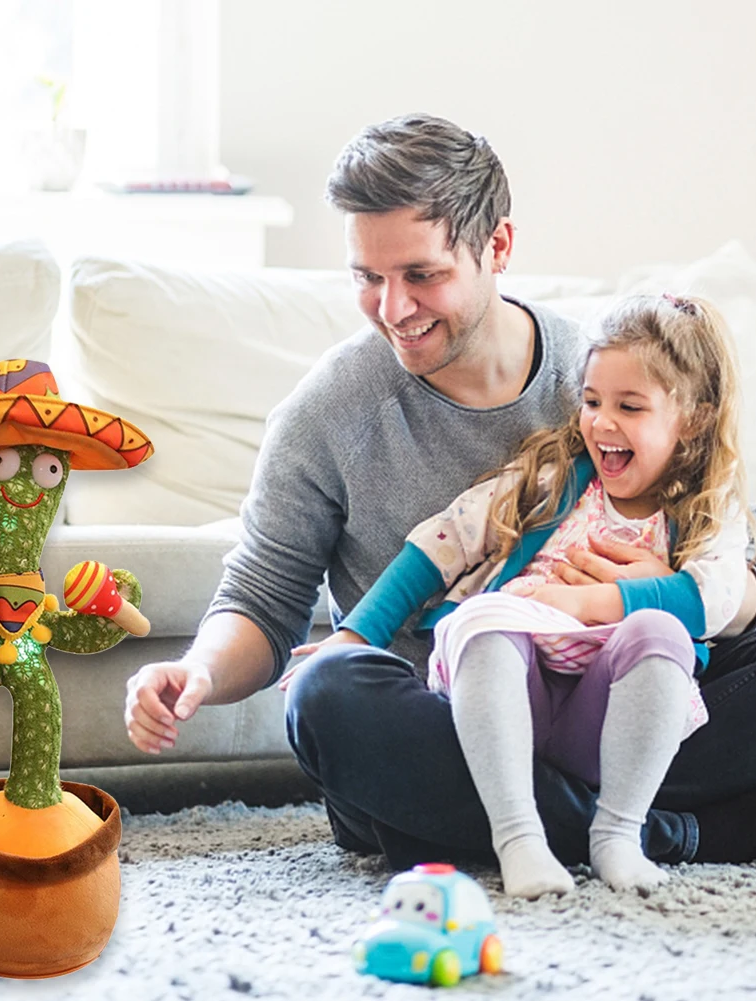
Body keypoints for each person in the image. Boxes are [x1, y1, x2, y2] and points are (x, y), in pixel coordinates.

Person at [123, 112, 756, 872]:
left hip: (621, 694)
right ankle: (659, 830)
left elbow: (731, 562)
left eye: (421, 275)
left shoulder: (603, 379)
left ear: (498, 247)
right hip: (449, 720)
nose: (393, 309)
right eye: (368, 278)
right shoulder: (328, 412)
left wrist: (651, 594)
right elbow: (262, 596)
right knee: (326, 694)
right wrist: (198, 670)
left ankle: (559, 822)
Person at [280, 293, 753, 897]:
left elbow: (719, 596)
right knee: (457, 631)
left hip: (615, 722)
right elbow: (442, 544)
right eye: (592, 402)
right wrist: (354, 635)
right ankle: (521, 836)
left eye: (629, 407)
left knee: (659, 632)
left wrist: (590, 603)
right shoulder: (551, 478)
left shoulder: (710, 508)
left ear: (694, 419)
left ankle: (615, 834)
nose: (602, 423)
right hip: (503, 703)